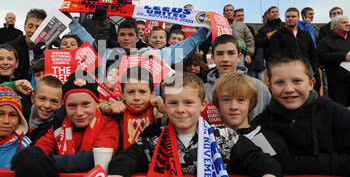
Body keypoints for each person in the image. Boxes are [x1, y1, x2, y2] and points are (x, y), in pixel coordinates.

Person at [102, 72, 286, 177]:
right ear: (165, 106)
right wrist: (119, 174)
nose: (181, 110)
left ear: (203, 104)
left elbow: (257, 158)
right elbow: (127, 157)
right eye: (173, 103)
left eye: (188, 103)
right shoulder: (154, 139)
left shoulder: (223, 136)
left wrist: (269, 175)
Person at [251, 52, 350, 177]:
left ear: (311, 83)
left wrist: (302, 164)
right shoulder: (261, 124)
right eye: (280, 83)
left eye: (297, 81)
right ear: (270, 86)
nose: (289, 89)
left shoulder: (337, 114)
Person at [11, 70, 121, 177]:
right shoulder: (60, 124)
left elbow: (96, 157)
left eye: (86, 104)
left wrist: (50, 162)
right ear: (65, 106)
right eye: (72, 106)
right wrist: (26, 157)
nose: (79, 112)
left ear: (97, 103)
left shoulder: (109, 123)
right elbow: (42, 147)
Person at [66, 11, 211, 83]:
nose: (126, 38)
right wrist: (69, 20)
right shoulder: (105, 52)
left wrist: (205, 29)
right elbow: (86, 39)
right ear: (117, 37)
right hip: (110, 107)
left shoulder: (149, 53)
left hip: (142, 111)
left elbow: (183, 48)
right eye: (122, 35)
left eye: (130, 35)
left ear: (137, 37)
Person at [205, 34, 271, 119]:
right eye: (220, 54)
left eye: (231, 53)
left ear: (239, 57)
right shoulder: (202, 91)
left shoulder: (259, 88)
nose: (225, 59)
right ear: (213, 58)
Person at [100, 66, 166, 151]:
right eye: (131, 92)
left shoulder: (157, 110)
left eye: (142, 92)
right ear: (122, 94)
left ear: (152, 93)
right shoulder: (119, 110)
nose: (136, 98)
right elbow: (95, 105)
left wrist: (166, 108)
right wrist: (107, 107)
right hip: (124, 158)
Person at [0, 8, 47, 81]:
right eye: (30, 26)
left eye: (38, 28)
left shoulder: (48, 51)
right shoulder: (9, 49)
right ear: (24, 27)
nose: (33, 31)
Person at [268, 8, 320, 93]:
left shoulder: (305, 35)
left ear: (298, 18)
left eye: (293, 16)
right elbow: (275, 57)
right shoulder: (277, 36)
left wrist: (314, 71)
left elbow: (313, 54)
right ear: (285, 18)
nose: (290, 18)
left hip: (308, 72)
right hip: (289, 74)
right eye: (288, 16)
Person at [318, 15, 350, 109]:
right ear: (335, 26)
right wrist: (342, 56)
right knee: (340, 111)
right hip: (338, 84)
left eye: (347, 22)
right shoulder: (325, 41)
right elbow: (321, 57)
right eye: (343, 22)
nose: (347, 24)